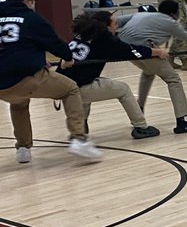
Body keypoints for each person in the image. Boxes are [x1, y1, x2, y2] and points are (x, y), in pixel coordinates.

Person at [0, 0, 102, 164]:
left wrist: (35, 56)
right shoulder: (31, 18)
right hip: (24, 77)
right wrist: (67, 57)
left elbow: (4, 46)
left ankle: (22, 148)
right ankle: (79, 138)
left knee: (19, 103)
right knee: (70, 89)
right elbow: (56, 44)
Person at [118, 0, 187, 134]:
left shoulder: (140, 15)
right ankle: (181, 122)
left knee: (148, 73)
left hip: (127, 50)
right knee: (173, 79)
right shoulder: (170, 22)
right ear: (174, 13)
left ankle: (138, 112)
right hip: (144, 48)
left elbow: (116, 20)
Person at [59, 11, 165, 139]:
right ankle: (141, 127)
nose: (116, 27)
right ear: (106, 26)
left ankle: (80, 128)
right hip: (79, 87)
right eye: (114, 24)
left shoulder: (82, 34)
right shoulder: (105, 38)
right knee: (123, 89)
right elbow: (130, 51)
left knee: (85, 91)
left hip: (63, 85)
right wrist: (156, 52)